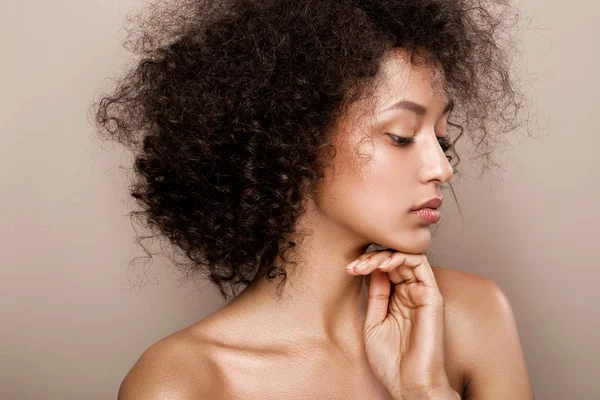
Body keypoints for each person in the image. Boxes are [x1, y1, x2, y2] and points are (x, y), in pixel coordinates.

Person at [93, 0, 534, 398]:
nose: (442, 168)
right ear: (296, 140)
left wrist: (425, 390)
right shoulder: (185, 382)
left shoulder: (470, 315)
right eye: (401, 136)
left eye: (441, 140)